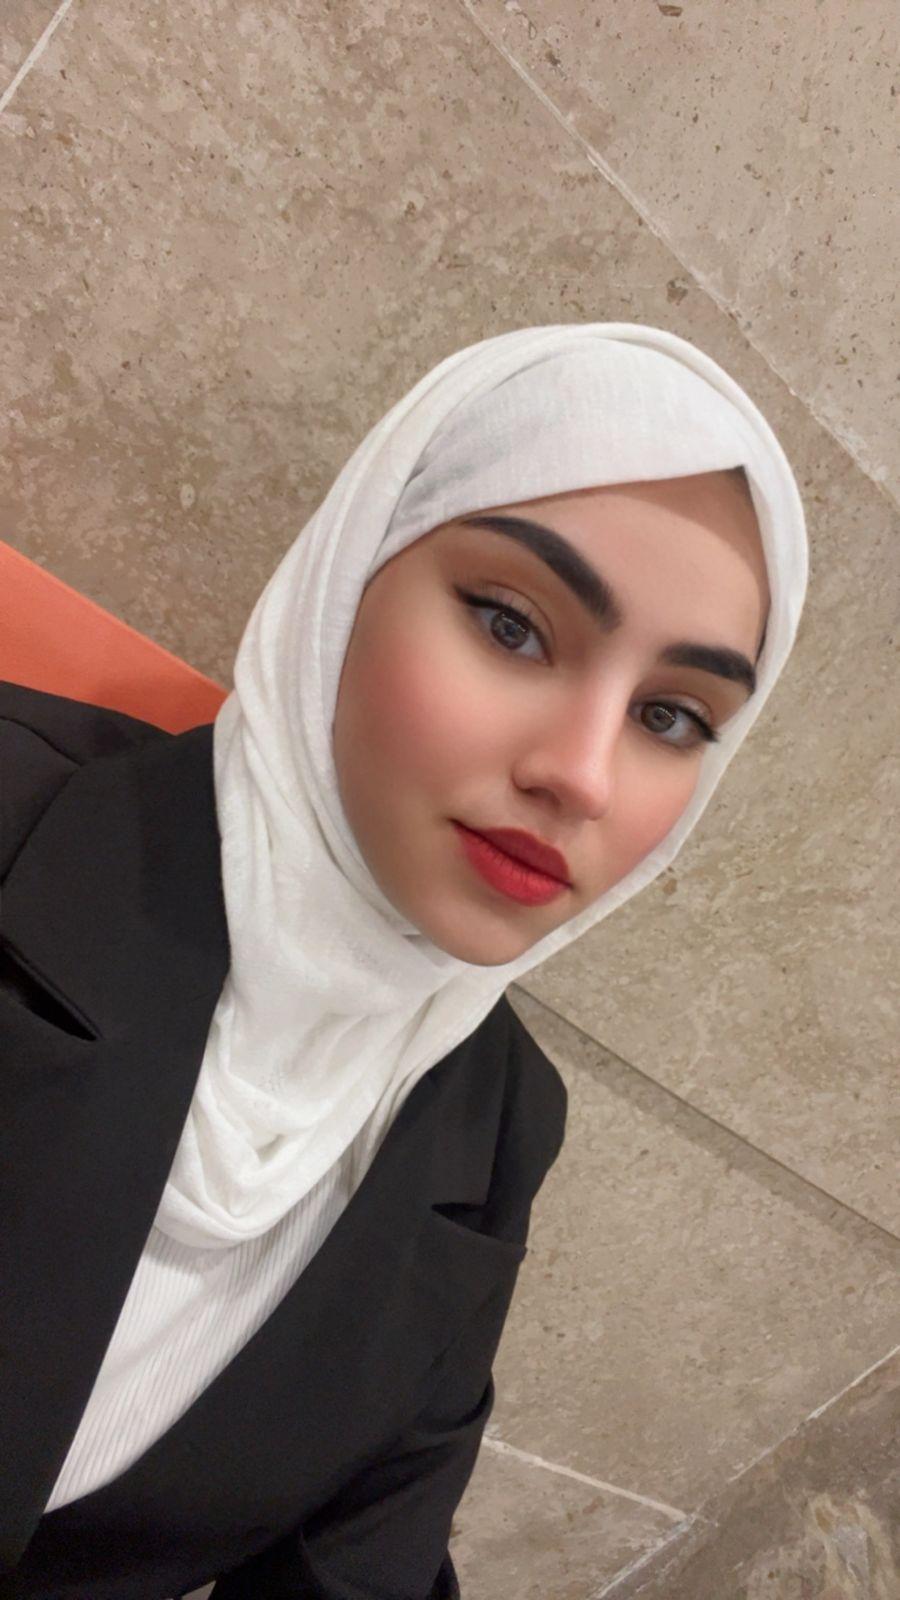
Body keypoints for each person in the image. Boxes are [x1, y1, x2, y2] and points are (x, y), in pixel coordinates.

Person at [0, 323, 808, 1598]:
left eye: (670, 715)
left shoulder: (493, 1121)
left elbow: (362, 1561)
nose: (584, 775)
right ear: (348, 581)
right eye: (512, 625)